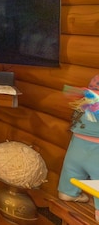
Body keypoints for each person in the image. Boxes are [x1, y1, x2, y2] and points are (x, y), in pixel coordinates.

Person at [58, 75, 99, 222]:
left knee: (71, 168)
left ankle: (67, 192)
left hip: (77, 143)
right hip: (97, 149)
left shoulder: (85, 99)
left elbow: (67, 91)